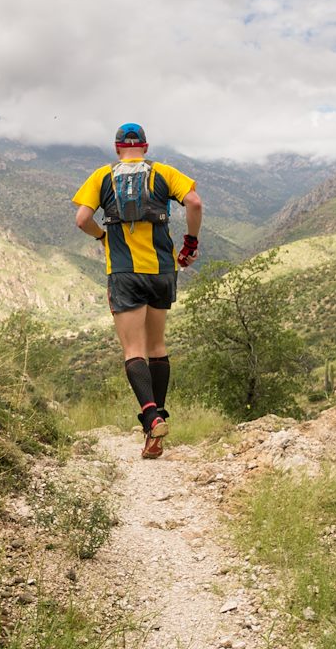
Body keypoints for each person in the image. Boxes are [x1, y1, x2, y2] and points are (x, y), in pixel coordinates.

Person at [72, 123, 203, 458]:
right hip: (162, 271)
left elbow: (82, 219)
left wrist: (102, 237)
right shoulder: (163, 173)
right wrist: (190, 244)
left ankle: (150, 414)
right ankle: (154, 432)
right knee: (157, 347)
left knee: (134, 350)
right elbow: (195, 203)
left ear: (117, 148)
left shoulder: (102, 176)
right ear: (145, 146)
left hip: (124, 272)